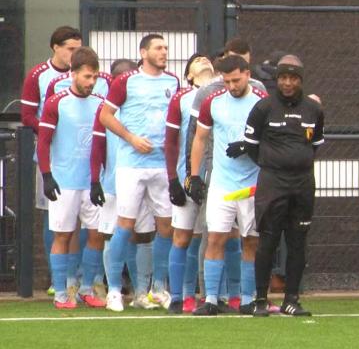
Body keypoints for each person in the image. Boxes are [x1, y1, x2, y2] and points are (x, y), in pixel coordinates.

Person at [234, 54, 323, 316]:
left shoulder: (313, 109)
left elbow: (315, 145)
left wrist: (298, 163)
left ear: (300, 80)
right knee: (268, 241)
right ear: (277, 79)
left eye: (292, 78)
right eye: (283, 77)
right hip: (273, 183)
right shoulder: (264, 108)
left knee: (298, 242)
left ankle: (291, 300)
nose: (287, 83)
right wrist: (272, 164)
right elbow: (251, 145)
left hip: (303, 184)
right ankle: (261, 299)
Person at [98, 33, 180, 312]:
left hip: (161, 164)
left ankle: (157, 289)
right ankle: (114, 291)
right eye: (158, 48)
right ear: (144, 52)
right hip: (132, 164)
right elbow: (105, 116)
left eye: (165, 48)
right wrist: (132, 138)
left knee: (166, 226)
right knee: (125, 224)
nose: (164, 52)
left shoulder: (173, 81)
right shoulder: (125, 81)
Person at [186, 55, 267, 316]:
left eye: (237, 79)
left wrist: (250, 147)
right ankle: (210, 298)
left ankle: (247, 299)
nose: (232, 85)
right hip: (221, 182)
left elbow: (271, 138)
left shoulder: (261, 101)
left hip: (253, 184)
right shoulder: (213, 101)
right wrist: (195, 175)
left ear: (247, 74)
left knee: (251, 241)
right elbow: (200, 138)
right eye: (227, 80)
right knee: (215, 238)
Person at [37, 46, 106, 309]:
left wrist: (98, 178)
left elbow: (101, 145)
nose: (91, 82)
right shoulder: (57, 102)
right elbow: (43, 143)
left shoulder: (100, 103)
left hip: (92, 182)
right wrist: (47, 175)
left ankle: (87, 287)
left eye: (95, 77)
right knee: (63, 235)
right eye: (87, 76)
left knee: (97, 234)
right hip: (64, 181)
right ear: (74, 73)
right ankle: (62, 291)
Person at [90, 59, 157, 310]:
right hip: (112, 184)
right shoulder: (105, 111)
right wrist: (95, 179)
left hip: (142, 180)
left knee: (143, 236)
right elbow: (97, 147)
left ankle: (142, 293)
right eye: (120, 78)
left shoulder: (146, 107)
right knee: (112, 235)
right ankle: (114, 291)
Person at [20, 25, 83, 297]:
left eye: (78, 48)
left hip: (81, 156)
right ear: (55, 47)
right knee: (52, 216)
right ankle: (56, 278)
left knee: (81, 218)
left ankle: (76, 278)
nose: (74, 54)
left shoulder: (85, 74)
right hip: (50, 155)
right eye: (71, 48)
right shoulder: (38, 75)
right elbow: (27, 115)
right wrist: (50, 130)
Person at [163, 53, 215, 313]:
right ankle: (178, 296)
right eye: (197, 61)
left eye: (207, 59)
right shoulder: (180, 98)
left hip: (216, 179)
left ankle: (217, 295)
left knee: (214, 238)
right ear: (188, 76)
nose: (204, 60)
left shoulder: (222, 95)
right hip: (188, 178)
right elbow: (171, 141)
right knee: (183, 237)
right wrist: (173, 179)